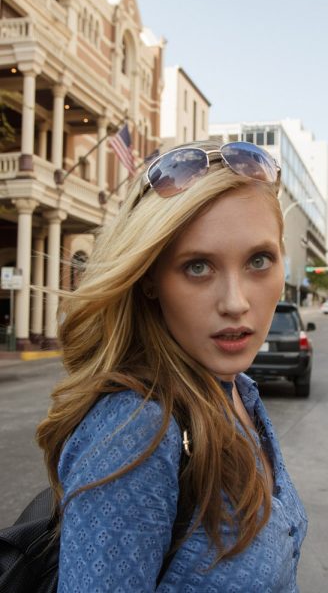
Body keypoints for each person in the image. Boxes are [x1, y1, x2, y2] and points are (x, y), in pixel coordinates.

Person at [36, 140, 308, 592]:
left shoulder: (238, 390)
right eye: (198, 267)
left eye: (258, 261)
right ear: (150, 280)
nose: (236, 303)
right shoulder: (135, 430)